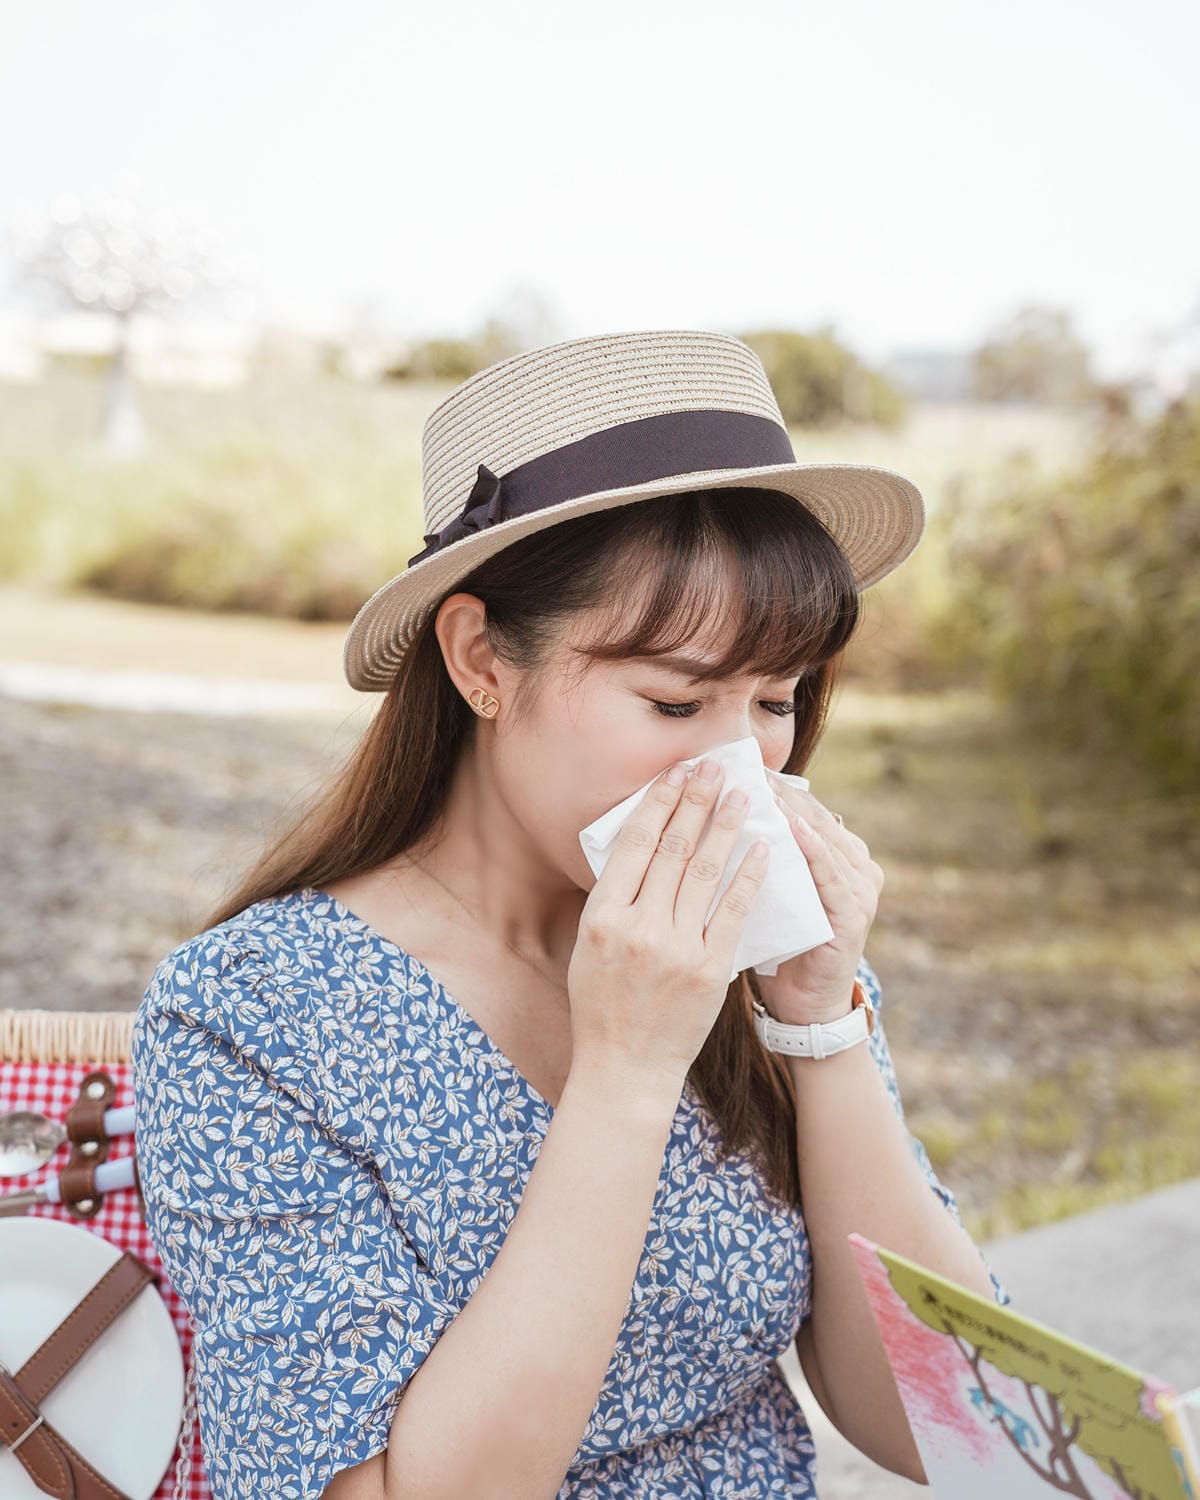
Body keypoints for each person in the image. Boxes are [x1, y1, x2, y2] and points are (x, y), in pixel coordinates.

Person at [132, 328, 1010, 1500]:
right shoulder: (254, 1014)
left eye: (776, 702)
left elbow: (956, 1429)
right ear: (480, 660)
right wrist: (627, 1074)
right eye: (676, 702)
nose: (739, 768)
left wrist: (820, 1024)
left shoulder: (754, 953)